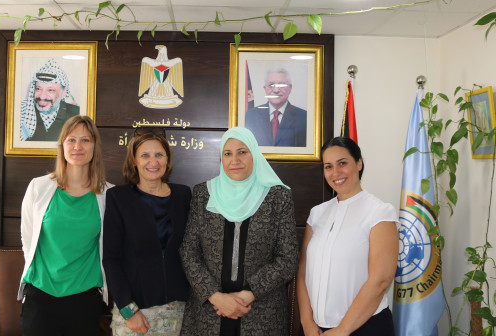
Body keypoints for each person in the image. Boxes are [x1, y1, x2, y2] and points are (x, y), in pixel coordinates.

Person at [180, 126, 299, 335]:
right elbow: (189, 252)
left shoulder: (277, 196)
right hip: (210, 312)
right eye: (227, 154)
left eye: (242, 152)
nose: (234, 160)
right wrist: (215, 296)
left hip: (261, 313)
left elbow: (288, 259)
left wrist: (248, 294)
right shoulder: (203, 194)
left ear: (254, 155)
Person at [18, 115, 112, 336]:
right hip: (40, 296)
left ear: (95, 147)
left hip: (84, 299)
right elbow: (27, 238)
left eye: (85, 140)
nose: (78, 146)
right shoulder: (38, 187)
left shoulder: (109, 194)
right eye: (71, 140)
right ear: (62, 146)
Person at [297, 137, 399, 336]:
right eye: (328, 166)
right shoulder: (317, 213)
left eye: (342, 163)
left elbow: (381, 280)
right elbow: (303, 271)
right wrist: (306, 321)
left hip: (365, 328)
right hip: (314, 329)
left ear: (359, 163)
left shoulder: (380, 212)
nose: (335, 173)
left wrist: (343, 330)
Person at [103, 128, 192, 336]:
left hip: (178, 311)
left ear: (167, 159)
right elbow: (111, 259)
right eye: (145, 155)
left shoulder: (183, 195)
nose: (153, 162)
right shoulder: (118, 198)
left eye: (159, 154)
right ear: (134, 161)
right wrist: (128, 309)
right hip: (135, 314)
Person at [20, 58, 80, 142]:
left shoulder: (77, 115)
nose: (42, 96)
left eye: (50, 90)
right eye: (38, 88)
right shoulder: (22, 113)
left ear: (63, 93)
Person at [245, 68, 307, 147]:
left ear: (290, 88)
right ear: (265, 88)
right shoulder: (251, 116)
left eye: (281, 85)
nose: (276, 90)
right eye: (271, 85)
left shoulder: (304, 118)